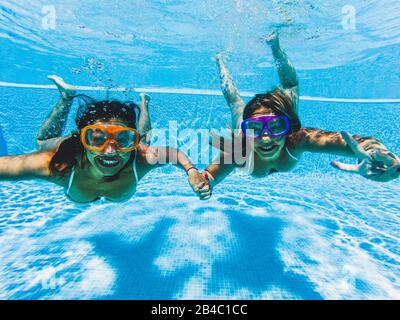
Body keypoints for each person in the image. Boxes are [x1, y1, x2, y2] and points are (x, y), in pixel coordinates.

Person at [203, 32, 400, 187]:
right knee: (235, 102)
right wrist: (202, 185)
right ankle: (221, 61)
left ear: (288, 128)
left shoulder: (298, 139)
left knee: (290, 87)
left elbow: (359, 143)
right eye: (254, 128)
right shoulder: (241, 149)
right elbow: (208, 177)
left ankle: (275, 45)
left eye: (276, 126)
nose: (266, 137)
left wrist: (377, 154)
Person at [0, 76, 211, 202]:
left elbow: (173, 154)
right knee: (42, 141)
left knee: (144, 141)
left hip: (137, 146)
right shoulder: (59, 164)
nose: (110, 150)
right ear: (82, 139)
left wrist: (191, 172)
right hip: (68, 147)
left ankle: (144, 105)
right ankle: (67, 97)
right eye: (97, 138)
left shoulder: (140, 157)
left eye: (123, 139)